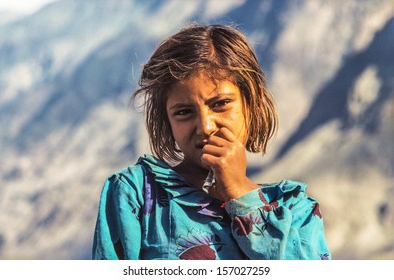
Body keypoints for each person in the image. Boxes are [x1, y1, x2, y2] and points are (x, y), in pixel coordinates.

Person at [92, 24, 331, 260]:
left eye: (220, 104)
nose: (205, 126)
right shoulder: (137, 194)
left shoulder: (296, 211)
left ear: (252, 102)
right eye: (184, 112)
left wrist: (240, 192)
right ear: (166, 119)